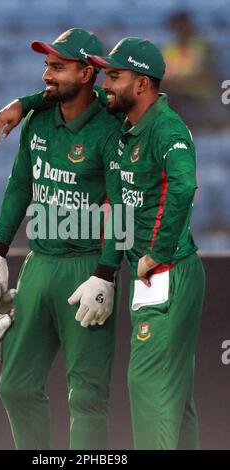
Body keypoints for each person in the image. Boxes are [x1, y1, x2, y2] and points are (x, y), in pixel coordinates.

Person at [0, 28, 124, 450]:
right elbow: (20, 186)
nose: (46, 74)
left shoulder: (113, 128)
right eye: (46, 65)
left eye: (57, 67)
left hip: (88, 268)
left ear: (86, 73)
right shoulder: (39, 118)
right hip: (39, 263)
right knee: (15, 387)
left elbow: (123, 205)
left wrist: (106, 275)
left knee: (88, 397)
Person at [86, 37, 206, 450]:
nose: (105, 83)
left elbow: (185, 184)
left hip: (165, 272)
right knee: (174, 393)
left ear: (142, 85)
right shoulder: (126, 118)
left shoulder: (165, 128)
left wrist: (158, 251)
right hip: (157, 274)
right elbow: (69, 93)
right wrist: (23, 105)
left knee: (147, 381)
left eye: (115, 75)